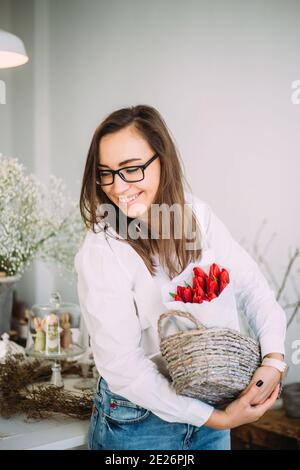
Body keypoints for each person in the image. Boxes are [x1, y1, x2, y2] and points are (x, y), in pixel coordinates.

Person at [75, 104, 287, 450]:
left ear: (162, 159)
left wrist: (274, 360)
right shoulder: (102, 248)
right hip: (139, 423)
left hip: (212, 402)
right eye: (106, 173)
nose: (117, 186)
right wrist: (219, 419)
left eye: (131, 169)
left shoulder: (195, 215)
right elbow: (123, 367)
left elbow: (252, 289)